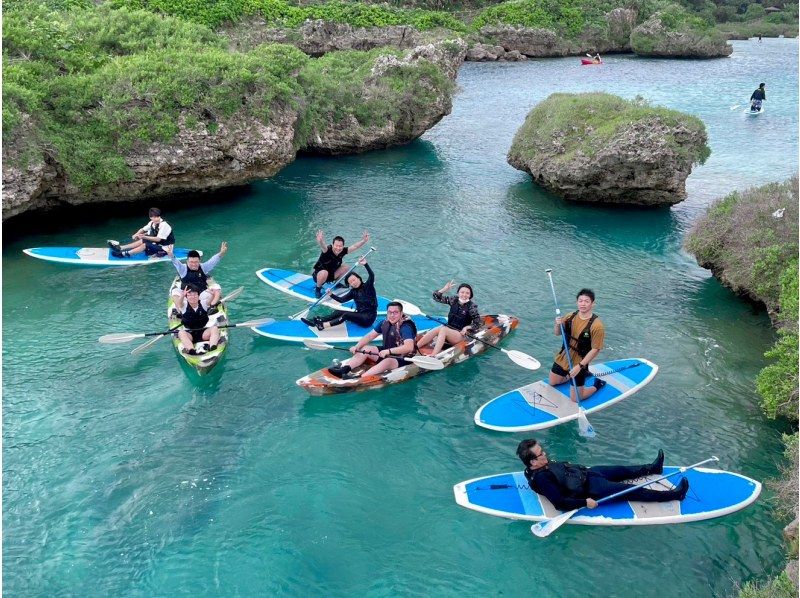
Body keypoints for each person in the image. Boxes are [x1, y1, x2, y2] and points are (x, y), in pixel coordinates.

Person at [516, 439, 690, 512]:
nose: (545, 454)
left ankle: (654, 469)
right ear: (532, 462)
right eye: (541, 454)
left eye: (542, 450)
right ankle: (676, 494)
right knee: (631, 490)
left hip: (585, 473)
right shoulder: (541, 478)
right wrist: (585, 502)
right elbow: (559, 503)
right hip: (589, 488)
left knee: (622, 470)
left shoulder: (538, 465)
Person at [329, 301, 417, 379]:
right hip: (387, 351)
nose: (392, 315)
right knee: (365, 349)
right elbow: (370, 336)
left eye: (395, 312)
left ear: (401, 313)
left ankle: (359, 378)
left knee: (387, 361)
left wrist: (388, 351)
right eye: (390, 312)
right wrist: (357, 346)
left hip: (403, 358)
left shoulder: (406, 327)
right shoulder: (384, 322)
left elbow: (409, 347)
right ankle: (344, 369)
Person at [549, 288, 605, 401]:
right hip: (565, 356)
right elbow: (557, 333)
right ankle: (571, 375)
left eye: (586, 301)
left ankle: (597, 385)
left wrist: (579, 366)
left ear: (593, 303)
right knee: (553, 382)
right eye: (580, 301)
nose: (583, 304)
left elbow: (595, 349)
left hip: (580, 361)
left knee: (576, 398)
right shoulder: (570, 316)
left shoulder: (597, 326)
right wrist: (557, 324)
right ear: (577, 302)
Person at [301, 257, 377, 331]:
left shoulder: (368, 286)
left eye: (354, 280)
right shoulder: (353, 292)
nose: (354, 282)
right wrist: (331, 294)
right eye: (351, 282)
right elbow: (342, 300)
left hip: (368, 319)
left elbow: (372, 275)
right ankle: (317, 321)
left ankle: (323, 326)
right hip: (360, 315)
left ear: (359, 278)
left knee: (346, 315)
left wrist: (365, 264)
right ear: (349, 284)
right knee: (338, 312)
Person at [416, 280, 482, 356]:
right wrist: (444, 289)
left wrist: (466, 328)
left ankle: (433, 355)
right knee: (439, 328)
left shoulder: (472, 307)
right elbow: (436, 297)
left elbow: (478, 324)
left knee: (443, 329)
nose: (464, 295)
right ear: (458, 293)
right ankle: (416, 346)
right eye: (462, 292)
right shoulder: (454, 300)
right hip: (450, 329)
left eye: (467, 293)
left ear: (470, 295)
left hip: (460, 335)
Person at [167, 242, 227, 315]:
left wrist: (221, 253)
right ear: (187, 261)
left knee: (217, 287)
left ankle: (211, 306)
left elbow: (213, 260)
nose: (194, 264)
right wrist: (171, 254)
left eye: (196, 262)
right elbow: (175, 261)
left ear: (199, 261)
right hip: (186, 296)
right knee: (175, 291)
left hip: (201, 295)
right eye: (191, 262)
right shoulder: (182, 268)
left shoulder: (203, 267)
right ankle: (179, 311)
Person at [312, 230, 370, 297]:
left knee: (346, 268)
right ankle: (318, 288)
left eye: (340, 246)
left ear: (343, 246)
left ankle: (335, 283)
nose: (338, 248)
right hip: (319, 276)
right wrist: (320, 241)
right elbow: (323, 246)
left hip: (330, 276)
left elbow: (355, 246)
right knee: (324, 272)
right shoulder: (327, 250)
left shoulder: (342, 251)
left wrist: (364, 241)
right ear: (333, 245)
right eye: (336, 246)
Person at [108, 207, 175, 258]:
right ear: (150, 217)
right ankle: (121, 248)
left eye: (157, 217)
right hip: (159, 245)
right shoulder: (152, 223)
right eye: (153, 217)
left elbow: (158, 239)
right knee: (143, 240)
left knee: (145, 244)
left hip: (166, 249)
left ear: (159, 216)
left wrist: (144, 236)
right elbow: (142, 229)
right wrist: (136, 234)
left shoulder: (164, 225)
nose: (156, 219)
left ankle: (125, 254)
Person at [175, 284, 221, 355]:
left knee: (214, 328)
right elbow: (179, 303)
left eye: (195, 295)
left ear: (198, 296)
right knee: (181, 333)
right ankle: (191, 350)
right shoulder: (184, 305)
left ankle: (212, 347)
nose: (193, 297)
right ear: (186, 297)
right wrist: (182, 295)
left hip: (203, 332)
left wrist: (212, 295)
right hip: (190, 334)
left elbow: (209, 302)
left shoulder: (203, 303)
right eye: (190, 295)